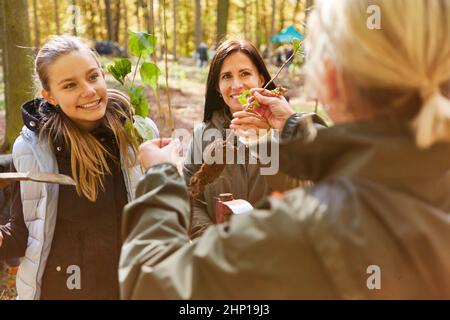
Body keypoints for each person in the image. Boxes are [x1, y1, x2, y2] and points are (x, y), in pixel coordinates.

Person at [120, 0, 450, 298]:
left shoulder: (309, 228)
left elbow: (147, 285)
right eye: (226, 77)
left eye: (245, 73)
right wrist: (291, 127)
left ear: (331, 79)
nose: (236, 85)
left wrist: (160, 176)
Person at [0, 35, 159, 300]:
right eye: (70, 85)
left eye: (93, 77)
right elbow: (23, 233)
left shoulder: (137, 135)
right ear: (49, 96)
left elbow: (160, 219)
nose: (88, 90)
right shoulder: (32, 150)